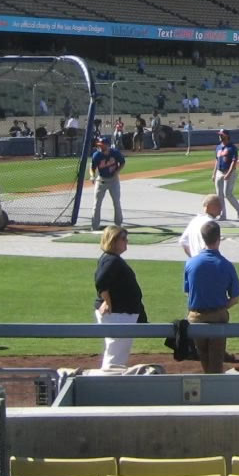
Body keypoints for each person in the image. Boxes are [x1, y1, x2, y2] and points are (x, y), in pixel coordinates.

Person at [183, 219, 239, 374]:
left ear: (203, 238)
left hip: (195, 317)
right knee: (216, 362)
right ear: (219, 238)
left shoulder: (191, 263)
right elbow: (235, 298)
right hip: (218, 316)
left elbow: (188, 291)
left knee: (204, 359)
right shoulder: (226, 265)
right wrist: (222, 306)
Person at [94, 225, 146, 371]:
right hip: (118, 313)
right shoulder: (112, 260)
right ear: (113, 240)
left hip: (120, 313)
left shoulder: (110, 258)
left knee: (115, 351)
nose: (126, 241)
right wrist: (107, 301)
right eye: (123, 238)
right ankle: (109, 381)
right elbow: (101, 281)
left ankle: (109, 379)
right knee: (116, 353)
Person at [89, 134, 126, 230]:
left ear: (107, 145)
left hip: (113, 180)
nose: (100, 147)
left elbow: (122, 162)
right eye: (99, 145)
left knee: (116, 202)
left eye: (102, 145)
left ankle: (118, 225)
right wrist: (92, 176)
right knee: (96, 204)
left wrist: (117, 171)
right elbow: (92, 168)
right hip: (101, 180)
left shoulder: (115, 153)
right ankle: (94, 226)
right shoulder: (97, 155)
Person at [213, 129, 239, 218]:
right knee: (219, 194)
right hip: (219, 171)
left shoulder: (232, 147)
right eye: (219, 134)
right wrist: (214, 173)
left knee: (228, 194)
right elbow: (217, 160)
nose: (220, 136)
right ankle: (223, 215)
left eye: (221, 135)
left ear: (227, 136)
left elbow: (234, 161)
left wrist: (229, 173)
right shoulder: (218, 147)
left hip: (229, 172)